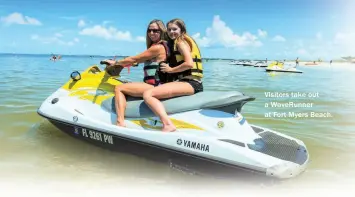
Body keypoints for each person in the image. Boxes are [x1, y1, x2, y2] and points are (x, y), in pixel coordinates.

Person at [101, 19, 169, 127]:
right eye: (149, 30)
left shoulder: (157, 47)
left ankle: (120, 122)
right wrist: (125, 64)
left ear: (162, 31)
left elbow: (135, 58)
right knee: (127, 83)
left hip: (154, 86)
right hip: (157, 85)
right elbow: (137, 61)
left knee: (119, 88)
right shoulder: (162, 46)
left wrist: (115, 63)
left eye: (155, 30)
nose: (151, 33)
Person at [142, 18, 204, 132]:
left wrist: (171, 70)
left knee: (148, 94)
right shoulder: (176, 42)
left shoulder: (181, 42)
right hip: (188, 82)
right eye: (169, 29)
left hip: (192, 83)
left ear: (182, 30)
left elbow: (189, 64)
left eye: (175, 29)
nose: (171, 32)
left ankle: (167, 124)